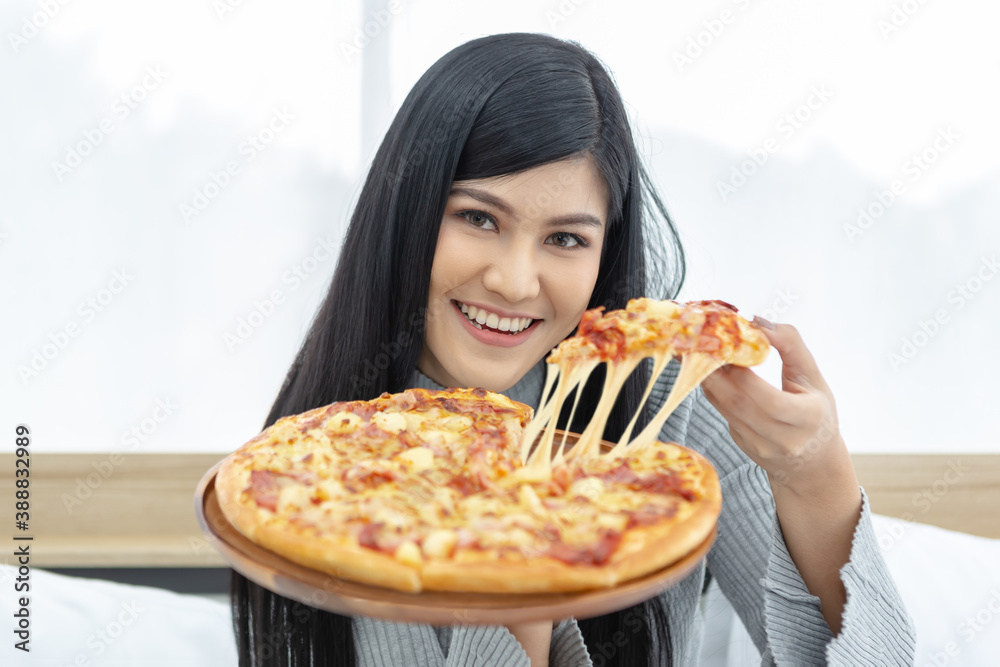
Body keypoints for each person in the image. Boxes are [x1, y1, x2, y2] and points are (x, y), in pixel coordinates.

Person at [231, 33, 916, 666]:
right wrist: (527, 554)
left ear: (603, 254)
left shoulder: (666, 407)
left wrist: (814, 468)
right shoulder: (315, 470)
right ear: (408, 210)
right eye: (477, 217)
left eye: (565, 239)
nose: (514, 280)